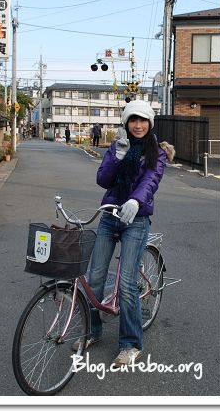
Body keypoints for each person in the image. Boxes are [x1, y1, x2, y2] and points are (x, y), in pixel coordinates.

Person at [74, 100, 174, 367]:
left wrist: (136, 201)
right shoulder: (118, 145)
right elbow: (103, 180)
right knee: (94, 277)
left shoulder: (158, 152)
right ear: (126, 123)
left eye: (142, 120)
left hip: (136, 220)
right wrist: (117, 157)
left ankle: (131, 344)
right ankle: (92, 331)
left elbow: (150, 180)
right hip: (110, 216)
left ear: (149, 123)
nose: (138, 125)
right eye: (133, 120)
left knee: (128, 283)